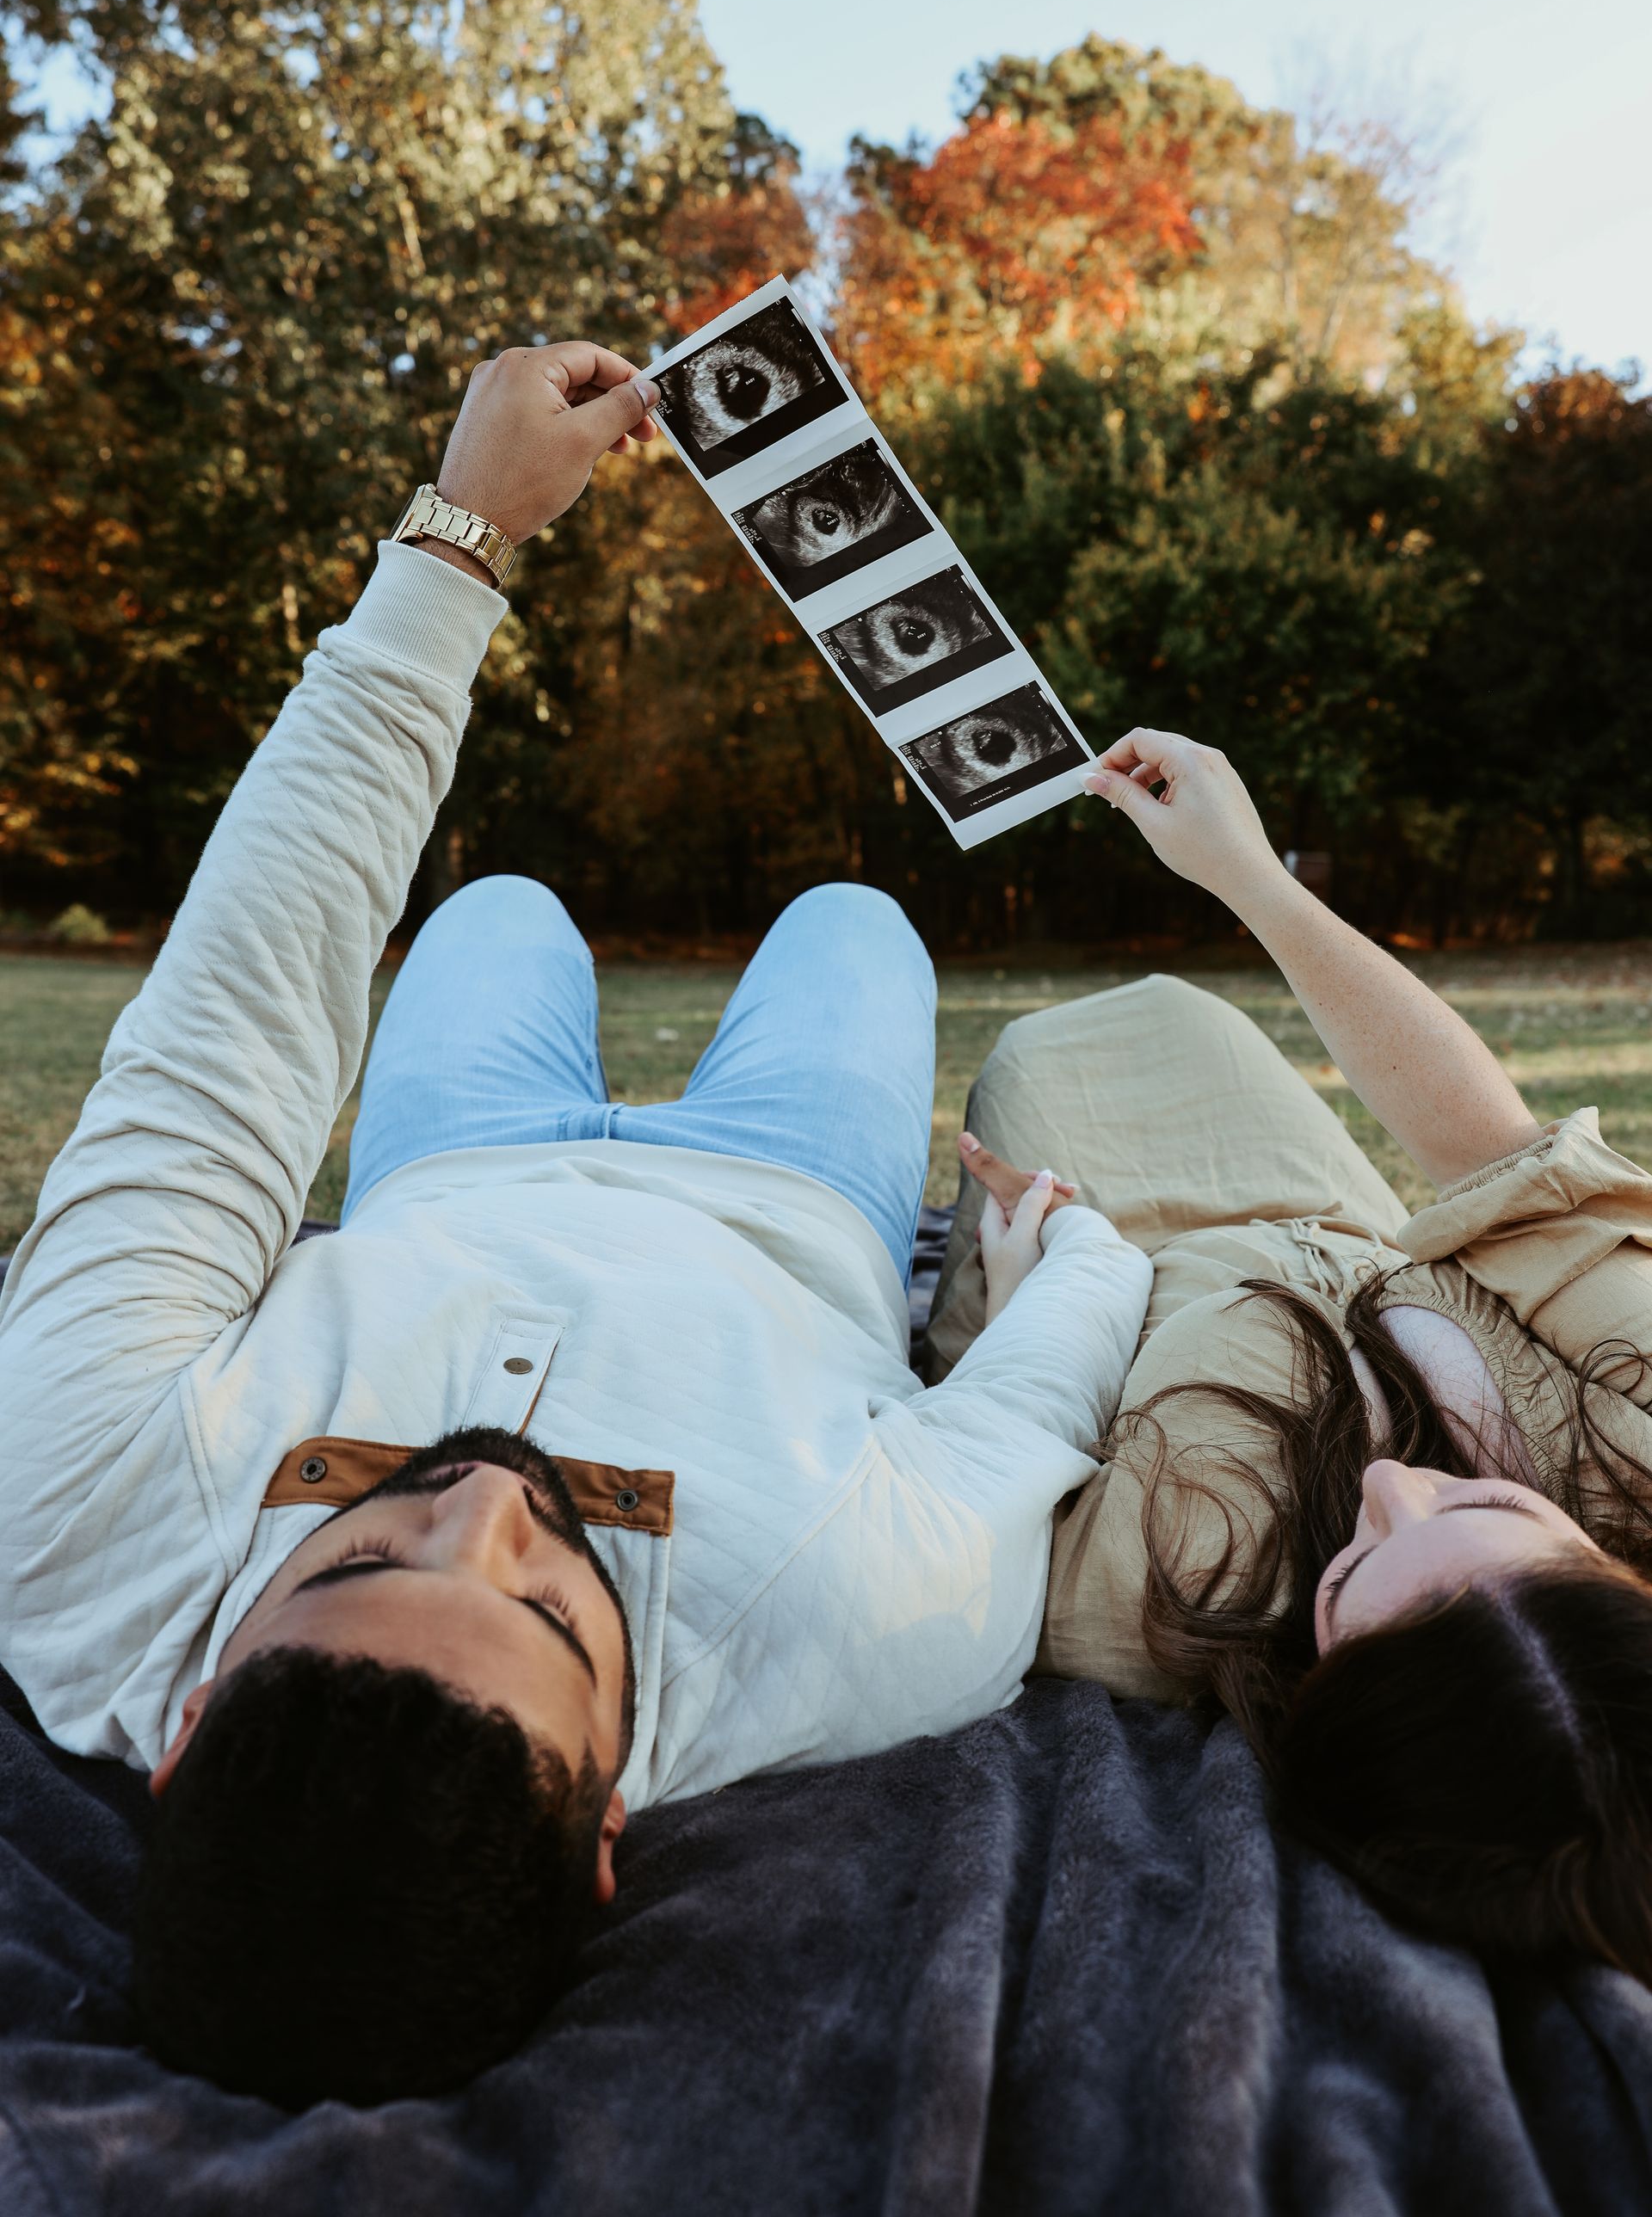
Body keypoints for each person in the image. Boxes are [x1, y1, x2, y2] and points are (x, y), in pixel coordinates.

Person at [0, 342, 1152, 2109]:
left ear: (183, 1727)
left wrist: (459, 537)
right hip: (789, 1200)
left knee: (505, 903)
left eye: (359, 1563)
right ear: (611, 1820)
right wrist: (1058, 1249)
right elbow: (1050, 1384)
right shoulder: (871, 1628)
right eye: (543, 1609)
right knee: (856, 921)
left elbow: (230, 1024)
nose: (484, 1504)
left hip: (453, 1163)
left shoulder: (65, 1524)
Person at [932, 728, 1652, 1986]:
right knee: (1168, 1005)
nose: (1387, 1485)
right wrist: (1250, 878)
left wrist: (1024, 1271)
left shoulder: (1167, 1593)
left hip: (1117, 1245)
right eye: (1483, 1502)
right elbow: (1501, 1158)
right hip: (1314, 1201)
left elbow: (1004, 1417)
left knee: (1040, 1057)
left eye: (1350, 1575)